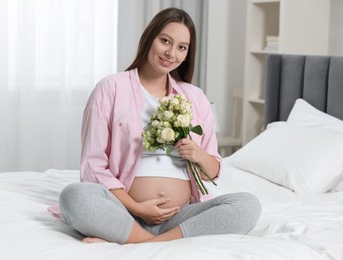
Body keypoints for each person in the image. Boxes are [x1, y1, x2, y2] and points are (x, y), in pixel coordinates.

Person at [57, 7, 261, 244]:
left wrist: (198, 154)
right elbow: (93, 166)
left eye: (181, 47)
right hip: (125, 210)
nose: (171, 53)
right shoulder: (111, 88)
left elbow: (212, 171)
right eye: (165, 41)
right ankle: (138, 234)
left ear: (187, 54)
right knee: (74, 196)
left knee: (247, 205)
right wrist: (138, 208)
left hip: (179, 216)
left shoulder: (195, 97)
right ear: (149, 38)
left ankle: (139, 242)